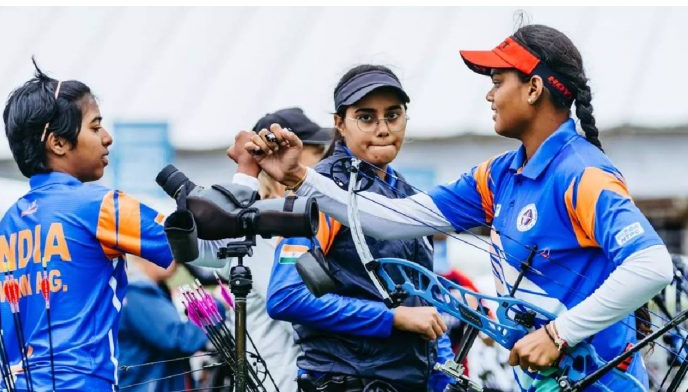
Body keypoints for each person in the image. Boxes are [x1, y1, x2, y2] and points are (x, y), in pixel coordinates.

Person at [244, 26, 674, 391]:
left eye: (497, 80)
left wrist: (559, 334)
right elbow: (393, 220)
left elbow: (652, 265)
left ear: (534, 88)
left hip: (599, 378)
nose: (489, 95)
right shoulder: (499, 174)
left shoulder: (581, 173)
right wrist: (301, 176)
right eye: (365, 116)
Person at [0, 60, 219, 390]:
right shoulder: (98, 205)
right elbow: (198, 247)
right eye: (96, 127)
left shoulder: (2, 232)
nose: (108, 138)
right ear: (57, 143)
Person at [256, 65, 454, 392]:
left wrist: (444, 372)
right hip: (346, 381)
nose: (382, 128)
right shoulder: (323, 192)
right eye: (366, 117)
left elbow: (423, 301)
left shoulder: (409, 196)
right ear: (340, 124)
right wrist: (392, 318)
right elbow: (286, 296)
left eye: (393, 115)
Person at [190, 107, 332, 392]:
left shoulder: (278, 227)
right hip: (278, 382)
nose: (322, 164)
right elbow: (297, 307)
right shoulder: (259, 231)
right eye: (315, 153)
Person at [118, 256, 209, 391]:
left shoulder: (141, 291)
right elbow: (180, 340)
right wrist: (210, 306)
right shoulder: (137, 293)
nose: (177, 257)